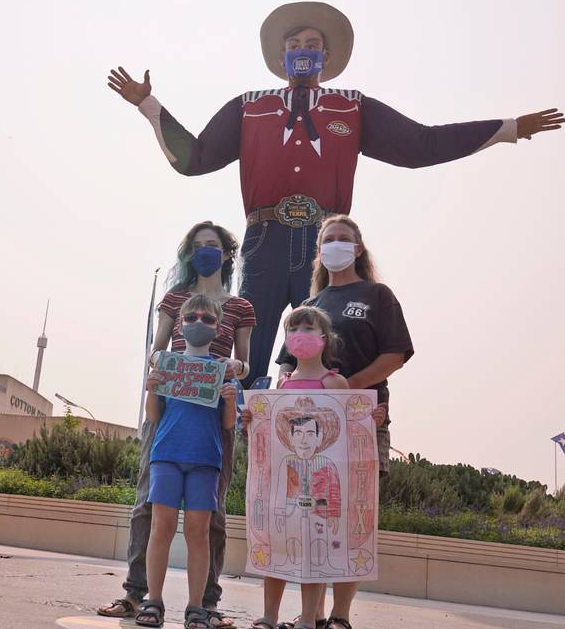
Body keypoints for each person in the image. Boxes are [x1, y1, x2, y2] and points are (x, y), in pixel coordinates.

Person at [107, 1, 565, 388]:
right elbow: (196, 159)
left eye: (311, 46)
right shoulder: (251, 107)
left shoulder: (353, 105)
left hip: (324, 246)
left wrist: (507, 129)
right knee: (243, 354)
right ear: (281, 57)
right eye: (293, 46)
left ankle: (320, 454)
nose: (302, 52)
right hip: (264, 241)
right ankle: (233, 456)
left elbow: (420, 145)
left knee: (325, 350)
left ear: (326, 57)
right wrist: (148, 105)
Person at [99, 221, 254, 628]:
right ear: (190, 254)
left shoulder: (240, 307)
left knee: (211, 515)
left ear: (226, 254)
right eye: (198, 246)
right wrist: (158, 368)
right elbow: (158, 349)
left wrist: (236, 369)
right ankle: (138, 595)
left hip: (213, 418)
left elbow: (246, 361)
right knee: (148, 505)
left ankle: (206, 602)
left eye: (212, 245)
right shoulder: (175, 299)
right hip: (168, 415)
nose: (205, 251)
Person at [274, 215, 413, 629]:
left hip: (362, 423)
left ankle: (339, 615)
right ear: (319, 252)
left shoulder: (377, 295)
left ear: (357, 249)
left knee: (353, 517)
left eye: (343, 239)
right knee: (310, 516)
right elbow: (285, 368)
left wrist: (347, 390)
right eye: (327, 239)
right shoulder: (310, 307)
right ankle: (311, 613)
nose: (335, 244)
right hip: (308, 433)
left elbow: (395, 354)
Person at [242, 306, 385, 629]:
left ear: (324, 338)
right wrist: (251, 420)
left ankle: (309, 619)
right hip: (285, 489)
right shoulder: (283, 385)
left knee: (314, 556)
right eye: (293, 329)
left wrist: (369, 419)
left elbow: (350, 431)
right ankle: (269, 615)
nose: (299, 335)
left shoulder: (335, 383)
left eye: (307, 328)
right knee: (279, 548)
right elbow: (269, 435)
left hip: (321, 493)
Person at [137, 294, 238, 629]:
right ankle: (153, 600)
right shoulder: (167, 365)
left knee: (198, 533)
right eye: (192, 317)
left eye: (208, 319)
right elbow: (154, 416)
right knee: (160, 528)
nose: (199, 323)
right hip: (166, 455)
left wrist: (230, 400)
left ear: (219, 328)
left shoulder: (222, 371)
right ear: (179, 324)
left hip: (205, 460)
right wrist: (152, 388)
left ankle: (196, 606)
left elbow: (227, 425)